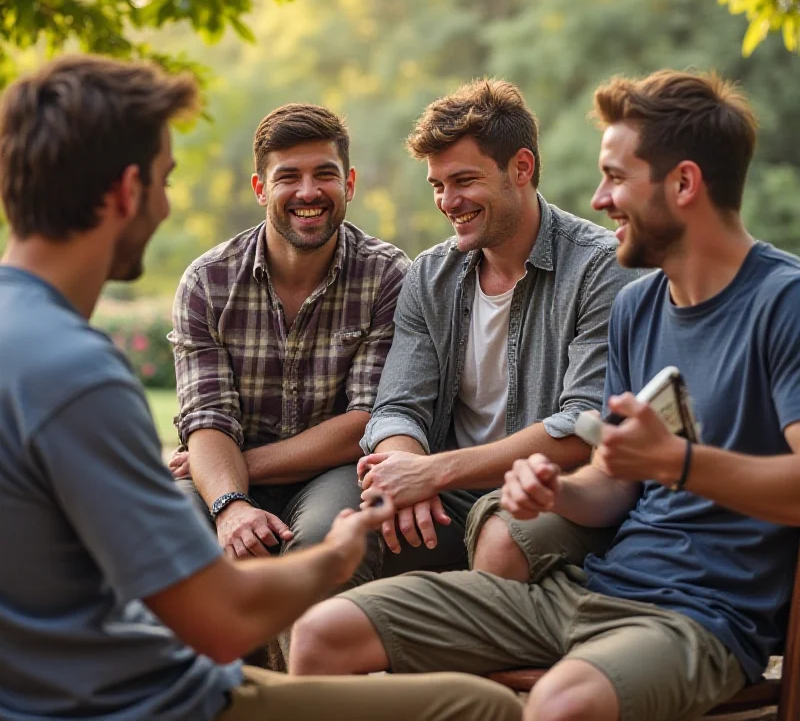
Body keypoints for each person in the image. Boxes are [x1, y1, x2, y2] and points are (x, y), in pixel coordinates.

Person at [0, 54, 522, 721]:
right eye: (165, 181)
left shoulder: (31, 346)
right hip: (145, 700)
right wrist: (333, 557)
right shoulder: (79, 376)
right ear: (128, 191)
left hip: (91, 682)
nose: (165, 204)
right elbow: (221, 614)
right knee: (483, 707)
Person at [291, 69, 800, 721]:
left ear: (683, 184)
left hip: (698, 617)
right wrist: (558, 492)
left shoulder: (781, 303)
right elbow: (614, 484)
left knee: (560, 703)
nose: (598, 197)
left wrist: (673, 463)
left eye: (616, 177)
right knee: (320, 635)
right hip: (591, 588)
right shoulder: (640, 304)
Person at [356, 78, 635, 575]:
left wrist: (432, 472)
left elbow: (582, 426)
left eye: (464, 181)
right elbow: (399, 406)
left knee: (501, 538)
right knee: (349, 536)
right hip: (449, 493)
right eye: (438, 186)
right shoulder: (429, 274)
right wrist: (405, 474)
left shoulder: (599, 267)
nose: (447, 201)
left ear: (521, 168)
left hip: (552, 494)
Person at [167, 103, 409, 598]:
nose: (308, 192)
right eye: (288, 177)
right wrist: (230, 501)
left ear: (350, 183)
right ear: (260, 189)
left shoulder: (387, 276)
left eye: (325, 174)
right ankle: (207, 675)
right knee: (171, 536)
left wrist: (227, 464)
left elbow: (366, 422)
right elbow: (207, 420)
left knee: (324, 543)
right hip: (222, 472)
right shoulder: (207, 282)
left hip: (334, 472)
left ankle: (308, 673)